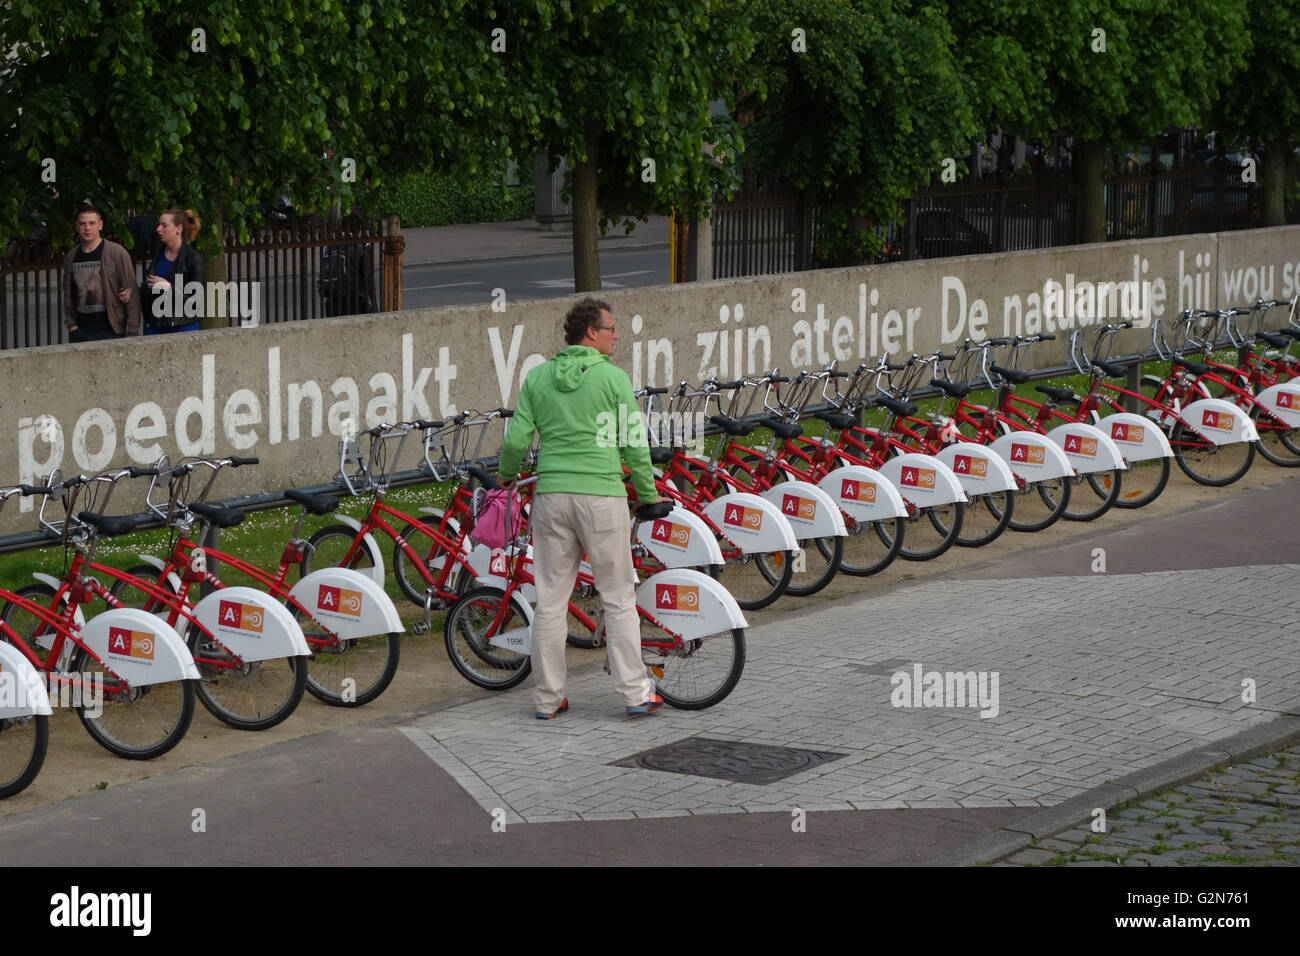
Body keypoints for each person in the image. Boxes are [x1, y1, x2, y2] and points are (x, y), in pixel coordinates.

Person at [497, 298, 664, 719]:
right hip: (602, 497)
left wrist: (505, 477)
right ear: (591, 331)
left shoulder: (537, 377)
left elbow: (517, 441)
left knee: (550, 601)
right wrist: (647, 494)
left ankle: (547, 699)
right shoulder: (612, 379)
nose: (616, 335)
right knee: (618, 597)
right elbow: (634, 444)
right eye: (611, 328)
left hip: (552, 497)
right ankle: (635, 693)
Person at [62, 203, 141, 342]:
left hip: (111, 331)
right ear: (77, 226)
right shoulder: (71, 256)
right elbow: (68, 293)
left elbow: (131, 292)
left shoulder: (117, 253)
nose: (87, 228)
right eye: (83, 223)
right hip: (80, 332)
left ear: (100, 225)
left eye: (92, 223)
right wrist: (71, 325)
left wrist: (132, 332)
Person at [142, 208, 204, 334]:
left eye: (164, 225)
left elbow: (196, 302)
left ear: (178, 229)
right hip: (155, 325)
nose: (158, 229)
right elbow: (148, 287)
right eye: (159, 225)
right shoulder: (158, 253)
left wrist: (169, 288)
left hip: (183, 326)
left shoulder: (193, 259)